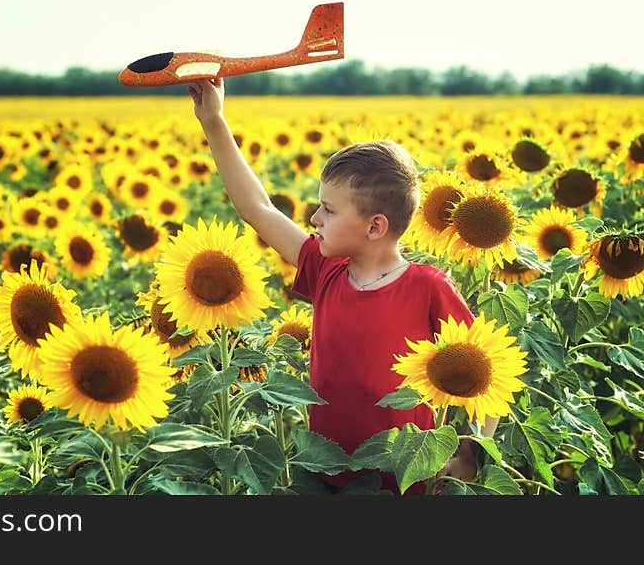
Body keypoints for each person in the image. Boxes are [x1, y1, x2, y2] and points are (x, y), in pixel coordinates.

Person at [187, 77, 495, 495]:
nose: (314, 218)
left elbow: (489, 375)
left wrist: (472, 450)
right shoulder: (325, 271)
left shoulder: (427, 288)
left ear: (374, 226)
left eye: (328, 210)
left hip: (403, 482)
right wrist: (214, 121)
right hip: (325, 472)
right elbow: (257, 209)